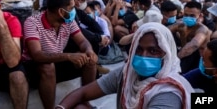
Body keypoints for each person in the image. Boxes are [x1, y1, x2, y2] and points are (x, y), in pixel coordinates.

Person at [55, 22, 194, 109]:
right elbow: (83, 92)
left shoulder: (168, 93)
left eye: (153, 51)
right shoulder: (127, 73)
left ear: (166, 54)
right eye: (138, 49)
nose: (144, 56)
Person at [22, 0, 98, 109]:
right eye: (71, 7)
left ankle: (86, 103)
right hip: (35, 67)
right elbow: (37, 55)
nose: (75, 10)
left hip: (56, 61)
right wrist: (69, 56)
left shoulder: (68, 21)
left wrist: (89, 50)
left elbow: (82, 41)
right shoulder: (32, 22)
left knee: (89, 60)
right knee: (47, 66)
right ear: (61, 12)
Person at [169, 1, 211, 74]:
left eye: (192, 16)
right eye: (186, 15)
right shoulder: (180, 24)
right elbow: (164, 31)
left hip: (199, 63)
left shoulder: (202, 29)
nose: (188, 17)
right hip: (184, 58)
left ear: (200, 16)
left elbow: (193, 45)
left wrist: (173, 61)